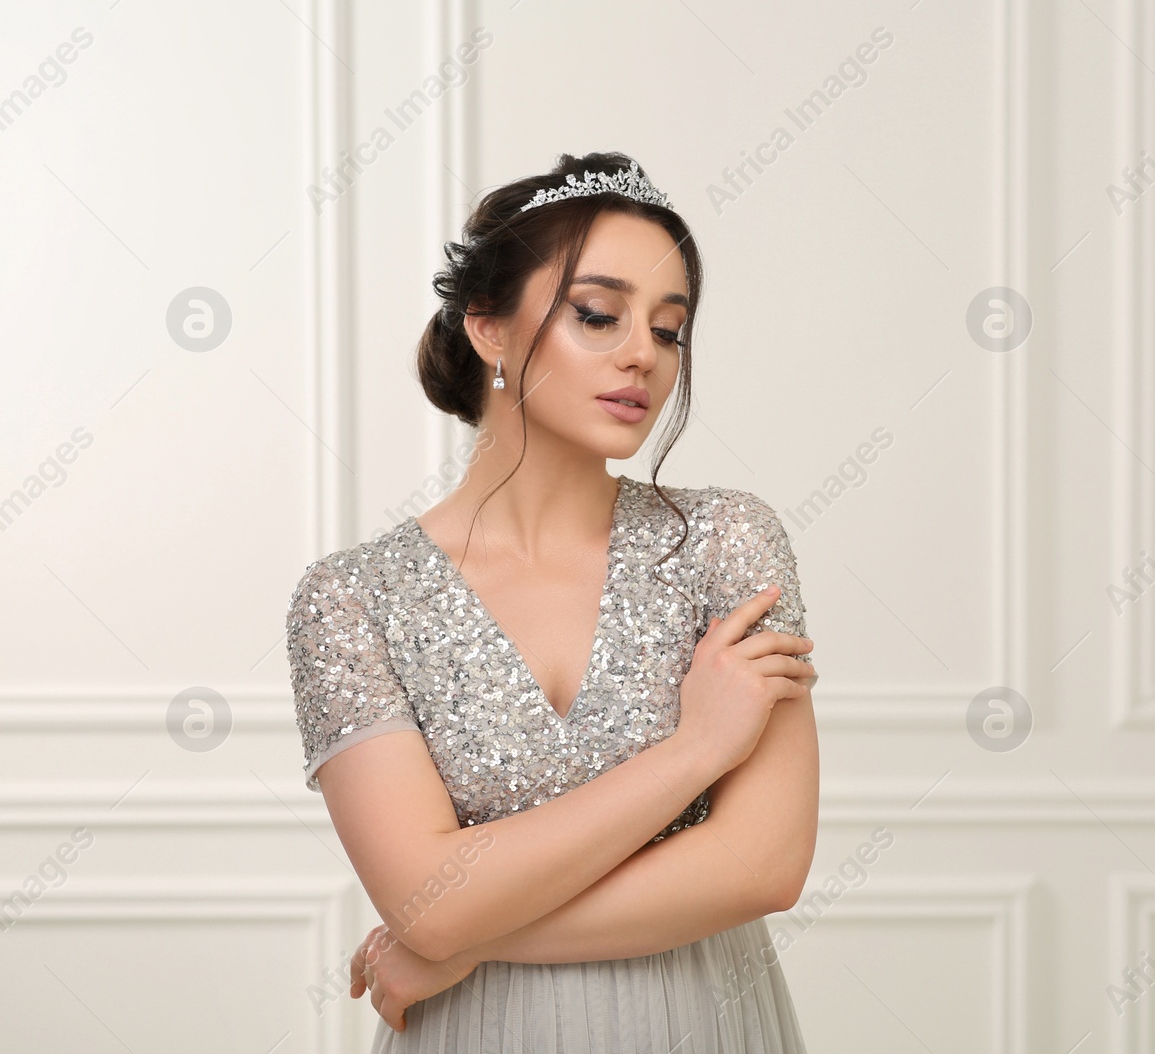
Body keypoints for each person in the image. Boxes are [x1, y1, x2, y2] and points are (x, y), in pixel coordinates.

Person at [283, 152, 819, 1052]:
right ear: (488, 327)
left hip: (703, 1022)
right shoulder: (354, 599)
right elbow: (424, 898)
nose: (643, 352)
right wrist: (696, 750)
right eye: (599, 315)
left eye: (671, 328)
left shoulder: (728, 542)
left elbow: (763, 865)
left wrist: (464, 942)